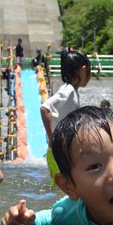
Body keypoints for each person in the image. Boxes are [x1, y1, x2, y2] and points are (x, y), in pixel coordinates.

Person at [41, 47, 91, 182]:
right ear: (83, 70)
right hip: (58, 152)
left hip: (63, 151)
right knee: (65, 188)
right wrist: (53, 139)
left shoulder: (73, 91)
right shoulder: (68, 90)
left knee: (66, 189)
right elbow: (45, 108)